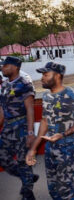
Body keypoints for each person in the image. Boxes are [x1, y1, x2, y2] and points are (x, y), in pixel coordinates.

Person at [26, 62, 74, 200]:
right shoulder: (47, 97)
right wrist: (33, 148)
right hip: (51, 147)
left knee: (65, 191)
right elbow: (44, 121)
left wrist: (64, 134)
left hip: (68, 147)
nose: (42, 78)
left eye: (45, 74)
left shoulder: (70, 95)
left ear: (58, 76)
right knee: (53, 189)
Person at [0, 57, 38, 200]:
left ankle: (28, 192)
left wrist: (30, 133)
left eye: (5, 66)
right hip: (8, 127)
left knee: (23, 161)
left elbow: (30, 109)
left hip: (21, 125)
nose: (2, 68)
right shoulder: (4, 85)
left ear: (15, 67)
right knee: (2, 157)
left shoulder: (24, 84)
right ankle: (27, 177)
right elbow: (2, 110)